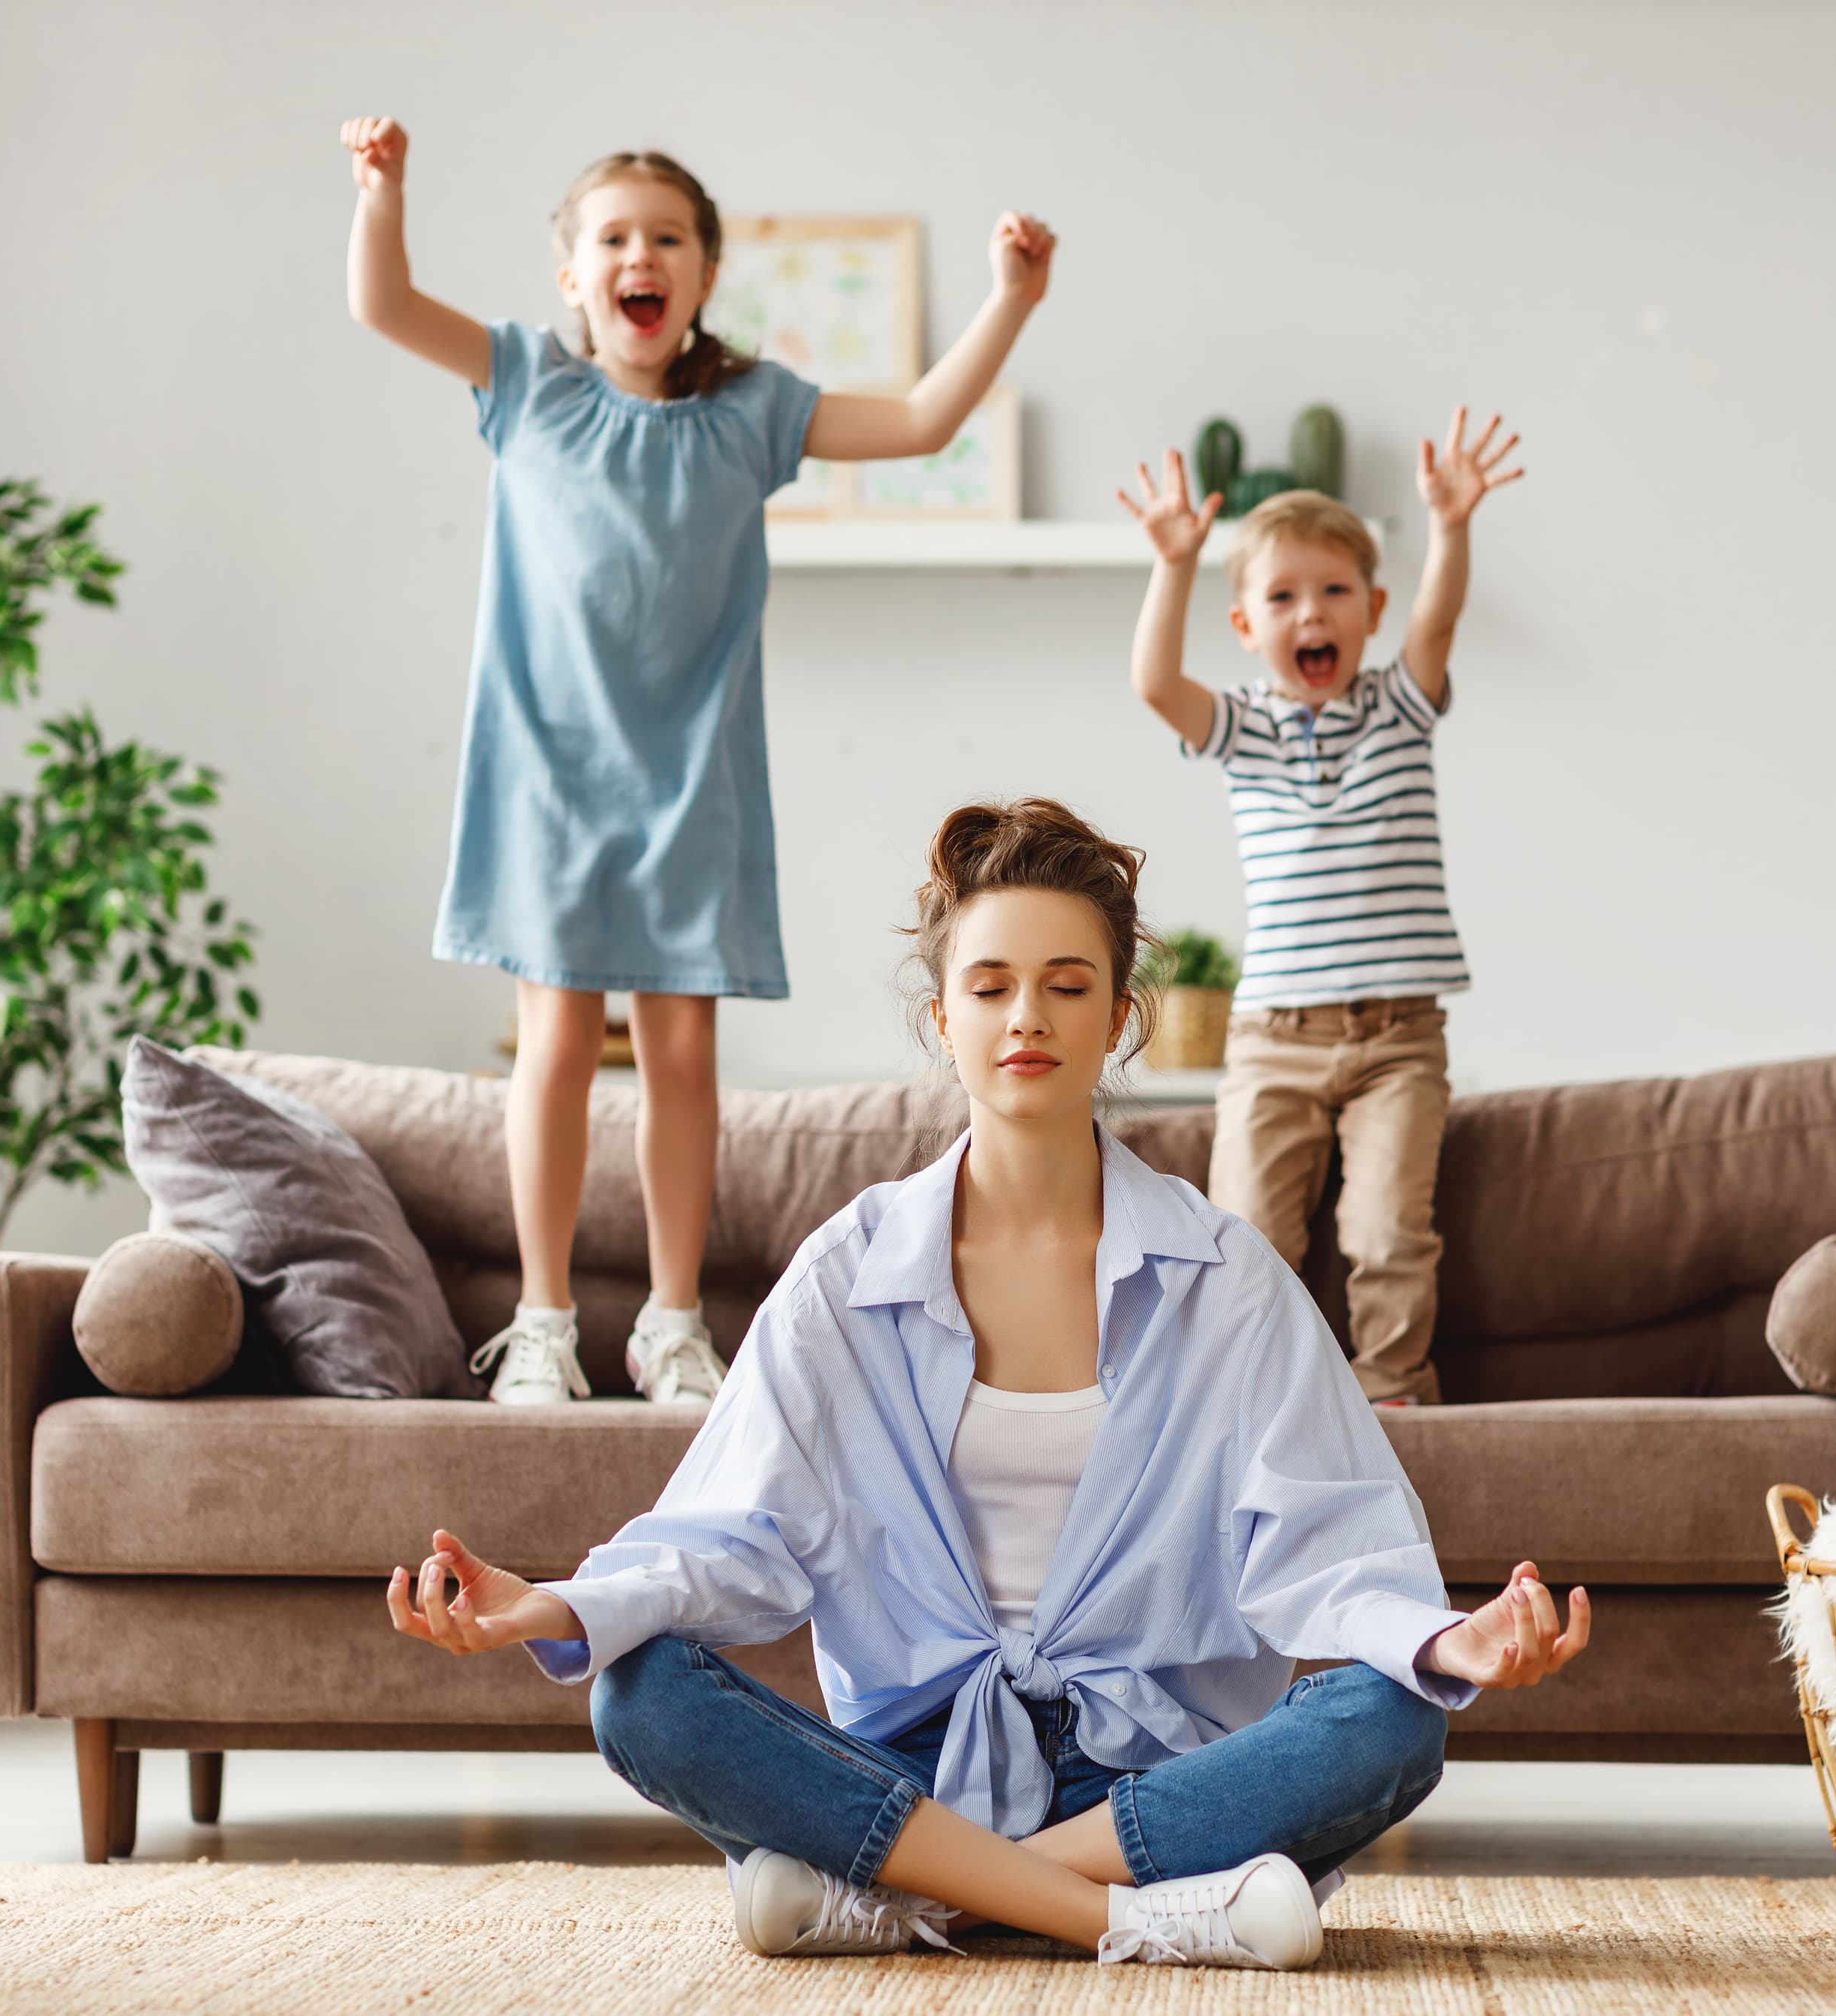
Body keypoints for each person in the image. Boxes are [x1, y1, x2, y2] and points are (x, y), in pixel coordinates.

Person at [385, 798, 1590, 1970]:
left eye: (1070, 986)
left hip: (1150, 1776)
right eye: (992, 986)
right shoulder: (847, 1273)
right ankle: (1130, 1917)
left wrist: (1448, 1640)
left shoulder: (1223, 1278)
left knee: (1393, 1718)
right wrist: (551, 1609)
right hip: (911, 1766)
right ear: (943, 1018)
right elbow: (733, 1533)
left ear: (1122, 1018)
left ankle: (910, 1897)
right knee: (637, 1690)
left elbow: (1326, 1543)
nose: (1030, 1017)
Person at [340, 119, 1056, 1406]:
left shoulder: (750, 414)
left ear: (704, 276)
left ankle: (672, 1324)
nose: (641, 255)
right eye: (613, 237)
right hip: (548, 782)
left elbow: (921, 419)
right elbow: (380, 301)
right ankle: (545, 1323)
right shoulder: (525, 385)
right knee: (553, 1044)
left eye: (666, 237)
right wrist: (382, 189)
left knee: (681, 1058)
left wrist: (1009, 299)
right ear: (575, 278)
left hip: (692, 790)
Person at [1114, 418, 1523, 1404]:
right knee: (1245, 1235)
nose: (1313, 613)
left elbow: (1440, 622)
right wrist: (1175, 564)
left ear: (1372, 610)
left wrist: (1451, 526)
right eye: (1284, 596)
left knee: (1387, 1235)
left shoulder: (1400, 705)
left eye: (1335, 591)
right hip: (1273, 1039)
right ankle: (1248, 1398)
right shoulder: (1244, 729)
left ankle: (1390, 1393)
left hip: (1399, 1039)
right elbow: (1155, 683)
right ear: (1248, 626)